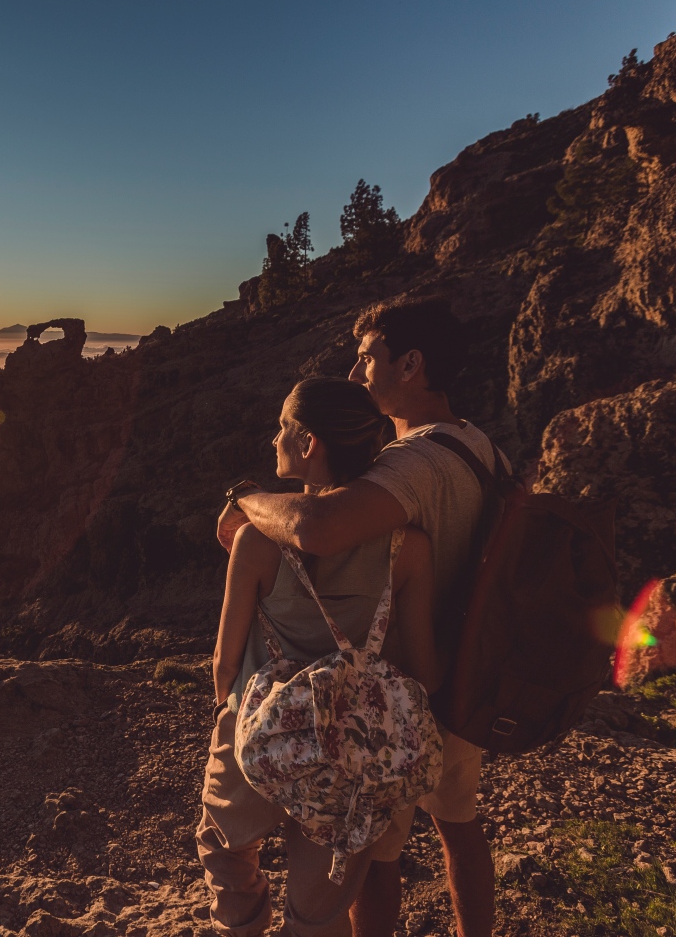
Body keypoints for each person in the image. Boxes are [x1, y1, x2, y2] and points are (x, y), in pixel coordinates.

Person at [216, 297, 506, 937]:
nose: (356, 373)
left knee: (374, 856)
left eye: (368, 357)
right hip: (458, 676)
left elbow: (315, 527)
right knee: (459, 826)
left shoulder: (414, 462)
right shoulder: (480, 446)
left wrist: (244, 500)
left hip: (392, 699)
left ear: (411, 364)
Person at [199, 376, 443, 937]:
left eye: (284, 426)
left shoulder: (257, 541)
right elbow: (423, 669)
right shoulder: (410, 547)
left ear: (309, 443)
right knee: (322, 909)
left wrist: (229, 716)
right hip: (351, 755)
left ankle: (244, 927)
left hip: (255, 730)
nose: (275, 435)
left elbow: (224, 661)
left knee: (223, 843)